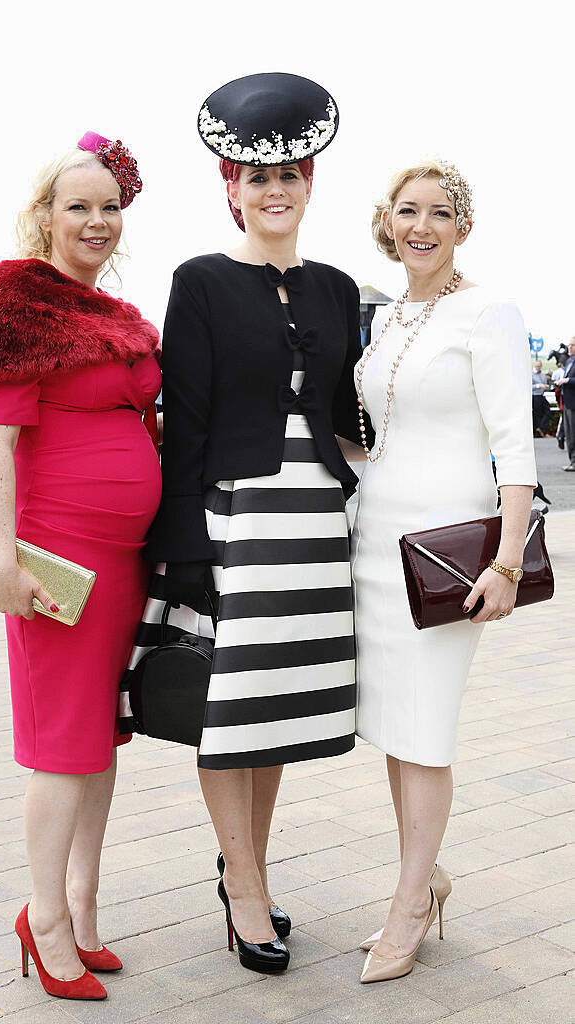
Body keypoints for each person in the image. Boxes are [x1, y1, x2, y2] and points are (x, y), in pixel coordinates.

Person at [135, 73, 366, 975]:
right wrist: (184, 547)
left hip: (313, 519)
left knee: (267, 715)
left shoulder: (340, 287)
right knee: (228, 716)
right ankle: (244, 888)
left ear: (310, 184)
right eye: (254, 179)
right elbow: (184, 419)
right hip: (231, 520)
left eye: (289, 177)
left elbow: (348, 410)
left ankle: (251, 876)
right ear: (229, 189)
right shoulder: (197, 282)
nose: (274, 192)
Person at [0, 131, 160, 1002]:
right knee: (62, 747)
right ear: (43, 216)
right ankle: (42, 918)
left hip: (123, 563)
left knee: (98, 742)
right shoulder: (15, 300)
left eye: (109, 207)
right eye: (77, 206)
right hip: (56, 565)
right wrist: (0, 563)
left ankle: (79, 905)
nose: (96, 221)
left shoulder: (113, 314)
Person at [352, 161, 536, 983]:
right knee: (396, 728)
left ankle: (408, 905)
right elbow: (381, 437)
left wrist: (504, 560)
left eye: (438, 213)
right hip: (374, 540)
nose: (420, 226)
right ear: (386, 222)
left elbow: (515, 447)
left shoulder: (486, 311)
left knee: (423, 731)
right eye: (406, 211)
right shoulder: (390, 315)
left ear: (462, 226)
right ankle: (421, 877)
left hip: (449, 555)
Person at [560, 337, 575, 470]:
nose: (569, 347)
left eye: (572, 345)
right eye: (569, 345)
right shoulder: (569, 361)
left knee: (573, 433)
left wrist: (567, 380)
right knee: (569, 434)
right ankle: (572, 461)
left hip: (573, 403)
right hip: (567, 402)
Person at [531, 360, 552, 436]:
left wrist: (545, 386)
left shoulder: (543, 375)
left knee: (547, 412)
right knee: (538, 414)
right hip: (535, 396)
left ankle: (541, 428)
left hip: (541, 395)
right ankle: (540, 432)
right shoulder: (531, 374)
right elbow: (529, 386)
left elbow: (545, 384)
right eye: (537, 366)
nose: (538, 368)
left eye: (539, 366)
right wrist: (539, 386)